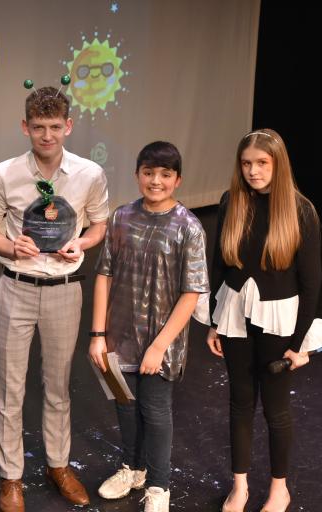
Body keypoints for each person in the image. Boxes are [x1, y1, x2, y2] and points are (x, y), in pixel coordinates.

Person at [0, 86, 109, 511]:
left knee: (58, 387)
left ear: (68, 126)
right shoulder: (3, 174)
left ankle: (58, 465)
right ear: (25, 127)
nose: (48, 135)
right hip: (16, 286)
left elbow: (97, 225)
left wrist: (83, 245)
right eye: (39, 127)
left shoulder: (90, 174)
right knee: (9, 389)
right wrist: (8, 246)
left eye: (55, 127)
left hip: (63, 291)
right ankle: (11, 477)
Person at [204, 129, 322, 512]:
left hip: (279, 322)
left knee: (276, 408)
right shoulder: (231, 202)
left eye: (262, 163)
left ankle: (280, 489)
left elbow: (311, 284)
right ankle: (239, 486)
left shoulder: (300, 210)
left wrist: (299, 342)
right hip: (235, 314)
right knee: (240, 401)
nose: (253, 171)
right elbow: (219, 265)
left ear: (277, 163)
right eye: (246, 163)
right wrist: (213, 319)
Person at [88, 142, 209, 512]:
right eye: (148, 172)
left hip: (161, 342)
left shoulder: (188, 227)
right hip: (117, 337)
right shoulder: (121, 217)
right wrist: (97, 335)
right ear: (138, 174)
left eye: (165, 174)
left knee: (155, 412)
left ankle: (159, 486)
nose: (155, 181)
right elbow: (104, 274)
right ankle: (133, 468)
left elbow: (191, 293)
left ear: (177, 180)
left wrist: (159, 346)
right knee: (125, 406)